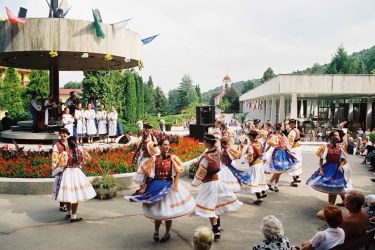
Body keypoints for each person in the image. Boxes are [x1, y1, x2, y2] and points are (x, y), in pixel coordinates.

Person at [127, 139, 196, 243]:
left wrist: (176, 185)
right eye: (164, 145)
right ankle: (156, 232)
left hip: (168, 186)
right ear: (159, 146)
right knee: (158, 212)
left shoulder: (173, 158)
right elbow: (147, 173)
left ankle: (167, 233)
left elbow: (177, 172)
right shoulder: (154, 159)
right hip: (157, 185)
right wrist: (145, 187)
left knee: (168, 213)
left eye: (168, 145)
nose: (167, 147)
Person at [192, 133, 242, 240]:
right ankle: (218, 227)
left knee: (210, 207)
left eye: (204, 141)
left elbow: (201, 172)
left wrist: (195, 182)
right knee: (216, 206)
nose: (203, 143)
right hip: (217, 181)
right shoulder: (217, 151)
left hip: (209, 183)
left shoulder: (206, 156)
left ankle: (215, 230)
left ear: (208, 143)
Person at [56, 136, 96, 222]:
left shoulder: (64, 153)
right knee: (76, 195)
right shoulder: (79, 152)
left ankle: (68, 213)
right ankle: (73, 216)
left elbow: (60, 165)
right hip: (76, 172)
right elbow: (88, 160)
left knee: (68, 194)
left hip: (67, 173)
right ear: (75, 142)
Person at [306, 131, 347, 205]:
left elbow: (344, 160)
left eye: (338, 136)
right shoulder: (326, 147)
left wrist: (340, 166)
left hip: (337, 170)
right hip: (328, 169)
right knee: (331, 188)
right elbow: (321, 159)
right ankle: (330, 204)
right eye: (335, 135)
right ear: (331, 137)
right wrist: (321, 170)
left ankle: (332, 204)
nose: (337, 137)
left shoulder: (340, 148)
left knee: (336, 187)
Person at [266, 123, 298, 192]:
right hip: (278, 153)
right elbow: (270, 144)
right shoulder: (275, 136)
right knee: (279, 171)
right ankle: (272, 184)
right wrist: (264, 152)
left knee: (280, 171)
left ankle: (273, 184)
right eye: (283, 126)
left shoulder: (283, 135)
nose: (284, 127)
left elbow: (286, 145)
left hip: (283, 152)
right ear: (280, 128)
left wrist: (290, 151)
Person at [243, 130, 268, 205]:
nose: (248, 137)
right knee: (260, 179)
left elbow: (250, 158)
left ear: (252, 136)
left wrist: (245, 158)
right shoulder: (259, 143)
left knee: (254, 181)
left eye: (249, 136)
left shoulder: (251, 146)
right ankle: (263, 192)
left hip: (254, 165)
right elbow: (262, 152)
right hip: (259, 164)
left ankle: (259, 198)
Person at [51, 128, 70, 213]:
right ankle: (62, 205)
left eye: (66, 133)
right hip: (61, 168)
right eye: (63, 133)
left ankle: (68, 203)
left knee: (68, 186)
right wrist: (57, 169)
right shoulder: (57, 145)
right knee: (60, 186)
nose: (64, 135)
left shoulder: (70, 143)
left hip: (70, 168)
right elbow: (54, 158)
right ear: (60, 134)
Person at [287, 119, 303, 187]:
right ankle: (298, 177)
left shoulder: (292, 132)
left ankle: (295, 180)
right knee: (297, 162)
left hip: (294, 149)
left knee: (293, 163)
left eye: (290, 123)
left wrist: (288, 149)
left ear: (293, 124)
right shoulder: (297, 130)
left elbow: (290, 142)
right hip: (298, 148)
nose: (289, 125)